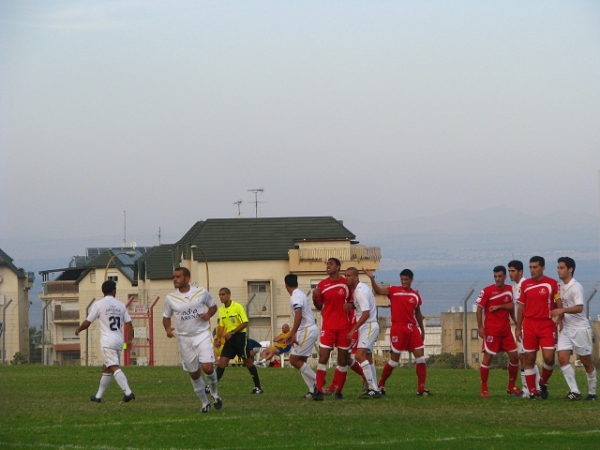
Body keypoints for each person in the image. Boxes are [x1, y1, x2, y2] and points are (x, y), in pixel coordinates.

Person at [162, 267, 221, 413]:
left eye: (178, 277)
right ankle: (204, 403)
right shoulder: (170, 298)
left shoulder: (201, 292)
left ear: (187, 278)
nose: (175, 279)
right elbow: (166, 317)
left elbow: (213, 306)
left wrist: (208, 315)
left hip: (202, 334)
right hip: (184, 339)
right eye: (174, 277)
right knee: (194, 373)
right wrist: (168, 329)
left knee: (208, 367)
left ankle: (215, 395)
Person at [365, 268, 430, 397]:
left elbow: (418, 313)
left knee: (421, 358)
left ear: (411, 280)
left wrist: (422, 330)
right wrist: (371, 278)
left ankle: (421, 389)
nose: (404, 282)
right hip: (398, 328)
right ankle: (381, 384)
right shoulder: (394, 290)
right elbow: (378, 291)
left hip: (412, 329)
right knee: (394, 361)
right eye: (402, 279)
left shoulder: (415, 295)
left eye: (406, 279)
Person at [75, 280, 135, 403]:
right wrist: (129, 339)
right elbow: (129, 324)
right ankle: (98, 397)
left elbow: (88, 322)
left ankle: (128, 393)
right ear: (114, 290)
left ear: (103, 291)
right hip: (119, 340)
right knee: (106, 368)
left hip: (107, 341)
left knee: (113, 367)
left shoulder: (98, 304)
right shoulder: (121, 305)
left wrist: (78, 329)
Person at [515, 256, 561, 400]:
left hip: (546, 325)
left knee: (549, 359)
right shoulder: (525, 284)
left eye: (535, 267)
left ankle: (543, 382)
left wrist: (560, 318)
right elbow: (521, 306)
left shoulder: (552, 284)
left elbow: (558, 302)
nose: (532, 270)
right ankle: (532, 392)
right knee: (529, 358)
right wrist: (518, 327)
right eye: (530, 267)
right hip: (529, 325)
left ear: (543, 268)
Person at [551, 257, 597, 401]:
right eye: (558, 267)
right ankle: (574, 391)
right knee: (562, 357)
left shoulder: (576, 287)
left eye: (561, 268)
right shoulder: (560, 286)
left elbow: (579, 308)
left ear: (570, 269)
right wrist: (560, 317)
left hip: (580, 329)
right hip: (566, 328)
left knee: (585, 361)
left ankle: (592, 393)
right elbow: (559, 302)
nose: (558, 270)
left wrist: (562, 310)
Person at [475, 266, 520, 397]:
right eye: (495, 276)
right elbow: (479, 309)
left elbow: (513, 306)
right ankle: (484, 387)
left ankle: (511, 386)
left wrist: (518, 324)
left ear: (505, 276)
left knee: (514, 357)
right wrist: (480, 327)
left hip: (506, 331)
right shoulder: (487, 291)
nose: (497, 279)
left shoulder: (510, 290)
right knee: (488, 358)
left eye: (500, 276)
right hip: (491, 331)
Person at [312, 258, 353, 400]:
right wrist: (314, 298)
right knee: (323, 357)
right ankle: (318, 390)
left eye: (331, 264)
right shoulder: (322, 284)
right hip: (328, 327)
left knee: (342, 359)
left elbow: (353, 302)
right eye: (327, 264)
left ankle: (338, 390)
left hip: (344, 327)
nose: (328, 266)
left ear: (338, 267)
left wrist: (351, 306)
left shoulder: (346, 284)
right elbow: (319, 306)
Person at [214, 287, 264, 394]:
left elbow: (245, 323)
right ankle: (212, 387)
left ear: (229, 295)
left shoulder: (237, 307)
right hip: (229, 339)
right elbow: (221, 326)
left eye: (223, 294)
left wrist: (232, 333)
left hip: (239, 337)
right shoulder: (221, 310)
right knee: (222, 362)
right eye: (220, 295)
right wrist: (218, 338)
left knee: (248, 362)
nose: (221, 297)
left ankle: (258, 386)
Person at [345, 267, 381, 399]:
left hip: (368, 325)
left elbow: (366, 313)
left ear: (356, 277)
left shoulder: (360, 291)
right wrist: (352, 306)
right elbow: (363, 306)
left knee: (359, 356)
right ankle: (375, 387)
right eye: (345, 275)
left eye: (349, 275)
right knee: (368, 357)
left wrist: (353, 329)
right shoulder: (361, 288)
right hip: (368, 325)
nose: (346, 278)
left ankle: (373, 388)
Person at [284, 274, 319, 399]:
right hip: (307, 329)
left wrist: (292, 333)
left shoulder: (295, 296)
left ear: (286, 285)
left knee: (294, 360)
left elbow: (298, 315)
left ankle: (318, 381)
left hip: (306, 330)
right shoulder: (300, 294)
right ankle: (312, 390)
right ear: (297, 284)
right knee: (301, 361)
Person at [508, 259, 540, 398]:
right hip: (521, 326)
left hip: (528, 326)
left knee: (526, 357)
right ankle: (534, 387)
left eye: (513, 271)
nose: (510, 273)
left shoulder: (525, 285)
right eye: (509, 271)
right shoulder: (514, 287)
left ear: (520, 271)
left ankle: (530, 389)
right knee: (524, 357)